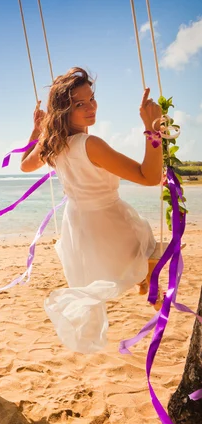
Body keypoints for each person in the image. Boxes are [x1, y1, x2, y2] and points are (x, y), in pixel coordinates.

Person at [20, 67, 163, 353]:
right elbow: (150, 177)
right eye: (79, 104)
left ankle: (146, 277)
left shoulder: (53, 144)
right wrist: (152, 128)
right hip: (110, 222)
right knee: (152, 248)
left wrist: (36, 130)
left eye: (91, 99)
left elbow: (25, 164)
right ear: (63, 111)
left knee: (141, 256)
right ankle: (148, 279)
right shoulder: (90, 144)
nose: (90, 107)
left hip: (81, 229)